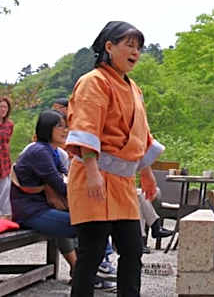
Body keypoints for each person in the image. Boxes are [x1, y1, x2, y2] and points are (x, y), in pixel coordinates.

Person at [66, 21, 164, 297]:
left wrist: (146, 172)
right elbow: (86, 127)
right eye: (129, 45)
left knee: (133, 250)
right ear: (109, 46)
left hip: (121, 181)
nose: (135, 52)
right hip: (92, 176)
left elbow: (141, 133)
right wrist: (93, 171)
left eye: (139, 47)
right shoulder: (93, 81)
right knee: (92, 253)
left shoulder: (133, 88)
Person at [11, 111, 79, 277]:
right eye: (60, 126)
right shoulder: (39, 151)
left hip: (42, 208)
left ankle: (84, 271)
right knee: (87, 225)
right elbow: (60, 185)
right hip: (31, 211)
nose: (65, 130)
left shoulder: (52, 151)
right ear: (47, 128)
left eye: (66, 126)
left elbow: (66, 178)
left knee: (92, 223)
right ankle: (84, 272)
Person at [0, 97, 13, 220]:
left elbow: (7, 143)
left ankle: (5, 219)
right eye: (0, 107)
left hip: (4, 162)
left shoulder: (9, 124)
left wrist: (10, 161)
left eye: (5, 107)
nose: (3, 109)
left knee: (5, 192)